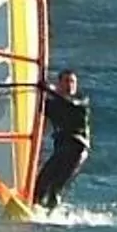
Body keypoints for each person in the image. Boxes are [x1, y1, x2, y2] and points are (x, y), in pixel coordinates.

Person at [33, 67, 91, 210]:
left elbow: (70, 103)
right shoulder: (53, 105)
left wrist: (48, 89)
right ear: (59, 83)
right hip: (60, 150)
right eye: (66, 81)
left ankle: (52, 216)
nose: (70, 85)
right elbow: (38, 107)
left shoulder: (81, 101)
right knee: (40, 184)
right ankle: (35, 211)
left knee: (55, 187)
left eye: (73, 82)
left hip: (76, 150)